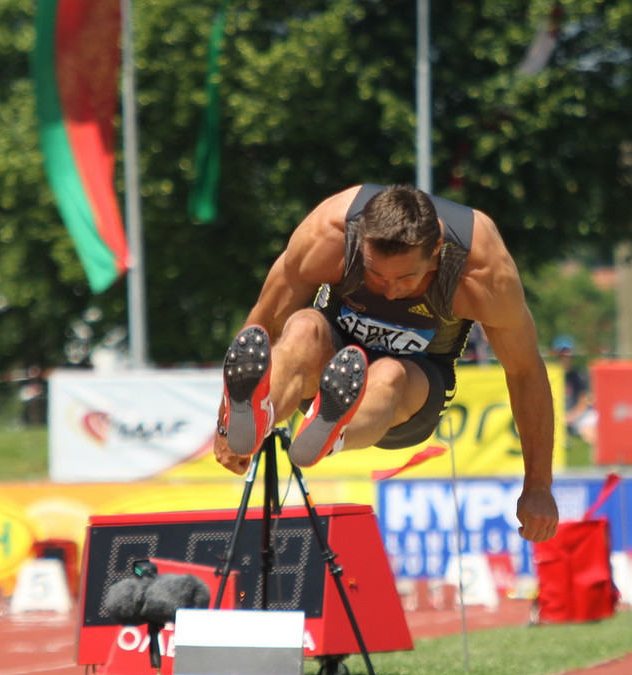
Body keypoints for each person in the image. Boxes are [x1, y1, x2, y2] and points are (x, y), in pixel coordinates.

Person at [213, 184, 559, 542]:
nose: (391, 291)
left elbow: (524, 372)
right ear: (360, 243)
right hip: (331, 363)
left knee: (389, 373)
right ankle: (258, 418)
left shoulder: (482, 271)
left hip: (414, 388)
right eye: (376, 275)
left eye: (407, 278)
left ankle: (334, 431)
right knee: (301, 327)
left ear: (436, 249)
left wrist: (538, 486)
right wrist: (227, 424)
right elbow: (263, 328)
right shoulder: (328, 234)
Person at [551, 335, 598, 447]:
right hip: (555, 416)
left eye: (568, 355)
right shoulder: (550, 376)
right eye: (561, 355)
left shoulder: (579, 375)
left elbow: (585, 400)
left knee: (591, 431)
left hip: (576, 415)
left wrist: (571, 417)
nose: (565, 358)